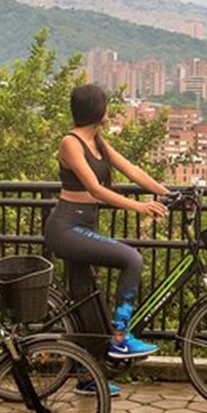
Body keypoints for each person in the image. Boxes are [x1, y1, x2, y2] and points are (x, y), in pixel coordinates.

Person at [43, 84, 170, 395]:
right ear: (100, 111)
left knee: (87, 301)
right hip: (66, 227)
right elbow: (96, 190)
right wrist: (140, 206)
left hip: (84, 225)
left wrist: (168, 193)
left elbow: (132, 169)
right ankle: (120, 338)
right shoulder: (70, 143)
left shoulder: (98, 141)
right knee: (131, 259)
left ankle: (88, 378)